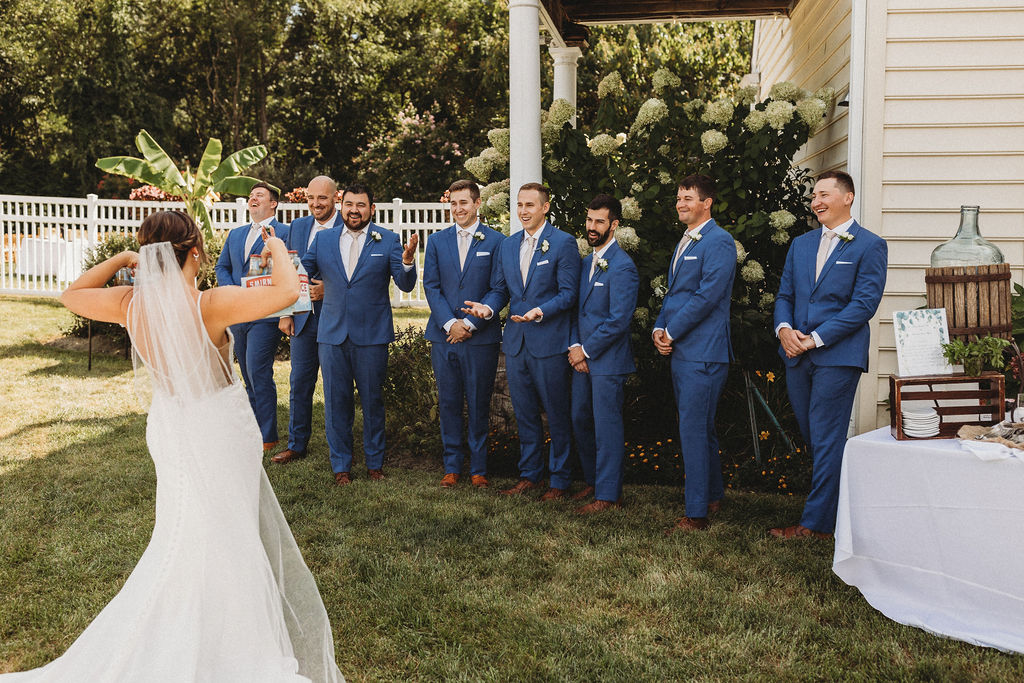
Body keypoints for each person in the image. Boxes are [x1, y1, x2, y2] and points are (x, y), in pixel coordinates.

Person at [6, 211, 342, 681]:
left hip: (171, 425)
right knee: (229, 528)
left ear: (149, 256)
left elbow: (71, 295)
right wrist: (277, 247)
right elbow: (288, 293)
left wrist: (122, 257)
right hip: (219, 426)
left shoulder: (130, 303)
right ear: (197, 254)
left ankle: (189, 618)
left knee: (183, 527)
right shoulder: (212, 303)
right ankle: (229, 636)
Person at [771, 170, 887, 540]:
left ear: (848, 197)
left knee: (826, 437)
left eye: (823, 194)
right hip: (796, 354)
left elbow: (863, 305)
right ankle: (837, 513)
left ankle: (816, 525)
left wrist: (816, 338)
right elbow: (785, 295)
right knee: (814, 435)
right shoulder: (801, 244)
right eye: (813, 196)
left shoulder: (869, 245)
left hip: (837, 356)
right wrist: (785, 330)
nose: (816, 201)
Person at [463, 183, 581, 499]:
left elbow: (570, 294)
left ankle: (559, 481)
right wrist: (486, 308)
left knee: (556, 414)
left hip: (549, 342)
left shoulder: (563, 243)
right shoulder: (508, 244)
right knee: (525, 414)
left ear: (545, 207)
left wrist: (540, 312)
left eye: (530, 205)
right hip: (515, 343)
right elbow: (501, 289)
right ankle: (530, 476)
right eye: (519, 205)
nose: (523, 211)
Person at [301, 183, 418, 485]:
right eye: (349, 204)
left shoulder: (389, 240)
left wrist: (406, 262)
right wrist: (276, 255)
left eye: (361, 205)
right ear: (342, 206)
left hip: (372, 336)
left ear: (372, 209)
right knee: (335, 402)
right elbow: (300, 271)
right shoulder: (323, 240)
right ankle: (341, 466)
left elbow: (405, 285)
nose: (354, 210)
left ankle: (374, 463)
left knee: (372, 401)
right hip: (332, 335)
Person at [653, 175, 736, 533]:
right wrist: (659, 328)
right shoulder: (686, 240)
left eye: (688, 197)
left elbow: (706, 297)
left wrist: (672, 331)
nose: (680, 203)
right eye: (678, 198)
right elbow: (675, 294)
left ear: (707, 202)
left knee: (693, 430)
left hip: (703, 352)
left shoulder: (718, 242)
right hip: (683, 349)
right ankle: (711, 495)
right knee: (700, 428)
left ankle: (696, 514)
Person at [422, 180, 505, 489]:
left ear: (477, 203)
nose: (458, 209)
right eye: (454, 203)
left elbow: (499, 289)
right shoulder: (437, 241)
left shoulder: (496, 241)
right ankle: (452, 465)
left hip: (480, 337)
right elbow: (431, 285)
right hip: (443, 336)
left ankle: (479, 468)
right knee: (449, 402)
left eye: (464, 203)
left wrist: (471, 325)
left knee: (480, 402)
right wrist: (450, 324)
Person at [568, 194, 639, 514]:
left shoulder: (623, 266)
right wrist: (574, 348)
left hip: (608, 360)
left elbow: (618, 320)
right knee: (580, 418)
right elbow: (574, 311)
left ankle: (609, 496)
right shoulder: (585, 263)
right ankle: (595, 482)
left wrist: (587, 350)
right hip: (580, 359)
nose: (592, 227)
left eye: (599, 221)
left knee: (607, 424)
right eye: (589, 220)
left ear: (614, 225)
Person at [214, 181, 290, 450]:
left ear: (274, 203)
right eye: (251, 195)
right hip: (237, 313)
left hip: (266, 313)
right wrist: (232, 291)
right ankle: (254, 429)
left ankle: (268, 436)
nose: (253, 199)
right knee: (246, 373)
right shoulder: (235, 234)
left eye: (260, 195)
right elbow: (221, 266)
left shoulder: (285, 233)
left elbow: (290, 268)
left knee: (258, 371)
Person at [272, 176, 341, 465]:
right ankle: (296, 444)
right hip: (302, 318)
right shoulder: (298, 227)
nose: (315, 204)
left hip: (337, 319)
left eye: (322, 198)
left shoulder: (347, 225)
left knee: (335, 385)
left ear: (335, 198)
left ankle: (339, 446)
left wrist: (329, 288)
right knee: (300, 382)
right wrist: (285, 312)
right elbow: (287, 270)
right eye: (310, 198)